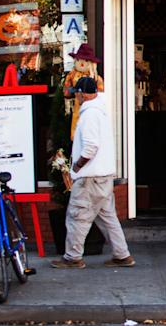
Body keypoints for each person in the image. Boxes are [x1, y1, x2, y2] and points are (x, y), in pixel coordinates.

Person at [51, 76, 134, 269]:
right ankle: (122, 255)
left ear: (81, 93)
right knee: (107, 217)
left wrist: (78, 166)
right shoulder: (101, 112)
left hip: (90, 177)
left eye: (76, 94)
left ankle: (72, 257)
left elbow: (90, 147)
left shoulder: (88, 115)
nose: (76, 97)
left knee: (77, 216)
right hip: (103, 175)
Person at [62, 43, 104, 141]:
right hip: (78, 106)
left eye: (85, 60)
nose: (81, 63)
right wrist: (70, 89)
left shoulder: (95, 77)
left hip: (92, 108)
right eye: (79, 60)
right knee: (78, 128)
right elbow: (67, 92)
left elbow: (101, 94)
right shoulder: (73, 75)